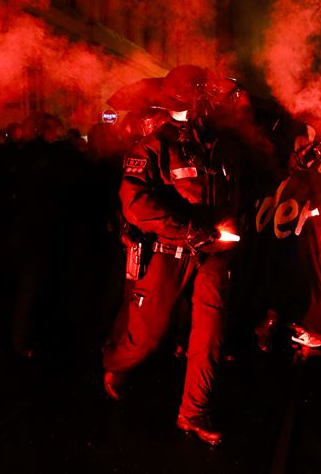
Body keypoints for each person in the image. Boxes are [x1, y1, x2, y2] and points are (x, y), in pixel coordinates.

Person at [102, 65, 239, 446]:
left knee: (209, 335)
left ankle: (193, 412)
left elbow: (234, 194)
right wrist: (190, 231)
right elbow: (136, 204)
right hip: (168, 253)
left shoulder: (223, 144)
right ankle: (116, 363)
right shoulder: (152, 147)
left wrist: (225, 230)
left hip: (213, 254)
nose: (211, 101)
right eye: (204, 94)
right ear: (185, 99)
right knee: (146, 335)